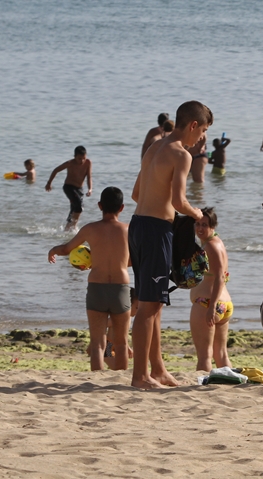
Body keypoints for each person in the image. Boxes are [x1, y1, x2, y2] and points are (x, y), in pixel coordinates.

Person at [129, 100, 209, 389]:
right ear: (193, 125)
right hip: (154, 232)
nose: (201, 139)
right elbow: (178, 201)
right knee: (149, 307)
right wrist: (196, 213)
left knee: (155, 303)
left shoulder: (154, 147)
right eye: (203, 132)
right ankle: (140, 376)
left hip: (138, 226)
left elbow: (137, 193)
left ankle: (158, 369)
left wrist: (160, 208)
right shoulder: (181, 155)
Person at [48, 187, 131, 371]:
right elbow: (134, 260)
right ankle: (123, 379)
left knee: (97, 342)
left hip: (97, 287)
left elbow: (67, 249)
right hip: (120, 287)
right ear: (122, 207)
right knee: (121, 342)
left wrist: (53, 250)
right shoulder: (128, 230)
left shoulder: (90, 229)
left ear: (100, 205)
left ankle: (96, 377)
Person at [189, 207, 232, 371]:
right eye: (197, 224)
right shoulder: (217, 242)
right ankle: (229, 383)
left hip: (208, 304)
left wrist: (212, 306)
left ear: (213, 226)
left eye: (204, 225)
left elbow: (220, 276)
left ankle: (201, 384)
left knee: (204, 355)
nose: (200, 228)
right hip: (224, 304)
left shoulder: (211, 246)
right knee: (220, 354)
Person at [45, 146, 92, 231]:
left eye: (83, 158)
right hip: (69, 187)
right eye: (79, 158)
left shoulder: (88, 163)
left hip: (79, 189)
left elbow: (89, 177)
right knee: (79, 206)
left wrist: (90, 189)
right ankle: (73, 227)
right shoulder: (70, 163)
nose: (81, 161)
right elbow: (56, 170)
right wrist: (49, 183)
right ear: (74, 156)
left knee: (74, 208)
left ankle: (67, 228)